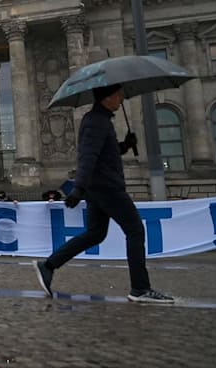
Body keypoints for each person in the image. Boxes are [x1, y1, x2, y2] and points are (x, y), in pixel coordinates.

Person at [34, 84, 173, 304]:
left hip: (99, 187)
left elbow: (102, 152)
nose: (121, 98)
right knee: (135, 230)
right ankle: (140, 288)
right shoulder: (96, 122)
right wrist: (78, 189)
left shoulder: (99, 120)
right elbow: (87, 157)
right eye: (118, 94)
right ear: (106, 98)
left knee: (95, 234)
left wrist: (124, 146)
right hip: (107, 188)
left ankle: (49, 265)